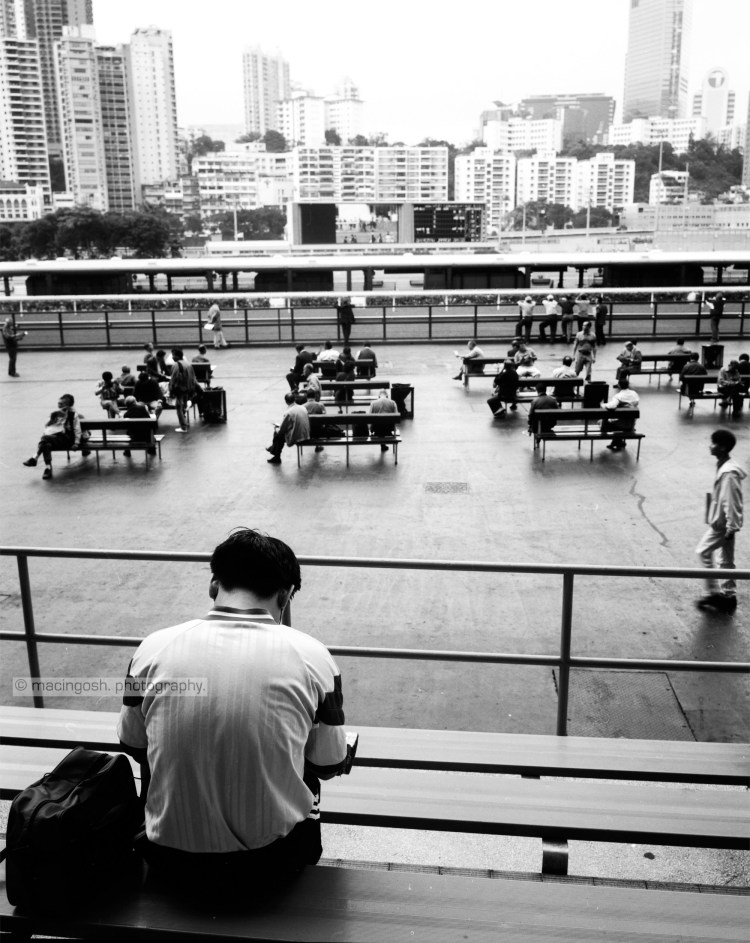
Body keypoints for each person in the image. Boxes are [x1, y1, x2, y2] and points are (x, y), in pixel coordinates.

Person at [116, 528, 350, 897]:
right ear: (286, 595)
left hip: (169, 863)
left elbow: (132, 743)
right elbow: (329, 762)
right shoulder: (313, 658)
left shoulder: (150, 649)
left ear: (214, 584)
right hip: (270, 869)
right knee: (309, 771)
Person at [695, 429, 745, 613]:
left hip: (723, 524)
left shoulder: (729, 473)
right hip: (725, 523)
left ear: (722, 447)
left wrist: (731, 526)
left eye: (714, 443)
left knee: (703, 551)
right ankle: (729, 595)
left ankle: (714, 592)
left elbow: (731, 501)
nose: (711, 445)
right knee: (726, 559)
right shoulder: (725, 466)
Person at [23, 394, 88, 480]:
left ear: (68, 405)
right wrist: (51, 420)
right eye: (59, 403)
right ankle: (48, 468)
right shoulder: (57, 414)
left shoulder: (73, 414)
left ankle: (35, 458)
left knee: (44, 439)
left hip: (68, 440)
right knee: (46, 445)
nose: (60, 405)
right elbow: (48, 428)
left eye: (63, 404)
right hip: (58, 438)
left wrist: (76, 443)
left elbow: (77, 430)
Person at [267, 393, 311, 464]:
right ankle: (273, 450)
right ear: (294, 400)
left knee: (277, 434)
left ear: (286, 402)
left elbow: (282, 429)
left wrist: (277, 428)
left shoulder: (289, 412)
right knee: (278, 435)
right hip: (306, 434)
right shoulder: (303, 407)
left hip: (298, 437)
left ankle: (276, 455)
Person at [603, 377, 639, 451]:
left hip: (621, 424)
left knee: (605, 423)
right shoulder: (634, 394)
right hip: (631, 424)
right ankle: (618, 442)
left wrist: (603, 405)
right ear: (628, 385)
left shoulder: (619, 396)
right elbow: (636, 403)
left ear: (619, 385)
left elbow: (611, 406)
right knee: (619, 423)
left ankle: (617, 442)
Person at [169, 347, 197, 433]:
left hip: (179, 389)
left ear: (177, 356)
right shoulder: (188, 364)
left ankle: (183, 426)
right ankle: (184, 422)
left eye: (173, 355)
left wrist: (171, 390)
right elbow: (193, 378)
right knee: (184, 405)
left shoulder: (176, 365)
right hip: (187, 388)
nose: (172, 357)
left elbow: (173, 379)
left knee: (178, 407)